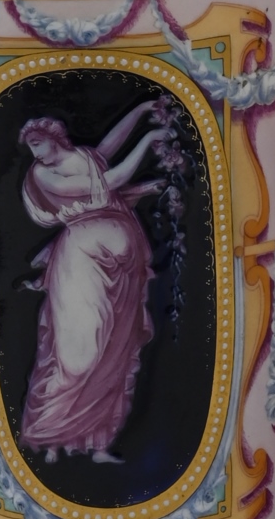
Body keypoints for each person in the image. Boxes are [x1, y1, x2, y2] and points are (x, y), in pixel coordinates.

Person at [14, 103, 179, 466]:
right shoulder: (44, 175)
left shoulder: (82, 157)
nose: (34, 152)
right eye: (31, 147)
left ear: (54, 137)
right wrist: (150, 138)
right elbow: (109, 182)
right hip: (82, 264)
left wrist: (141, 110)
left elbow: (107, 149)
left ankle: (99, 443)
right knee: (80, 352)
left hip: (122, 270)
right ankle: (50, 435)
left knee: (115, 349)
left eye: (38, 143)